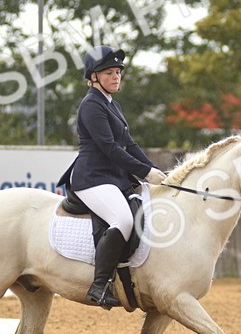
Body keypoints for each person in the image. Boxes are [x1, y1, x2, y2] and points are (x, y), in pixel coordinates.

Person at [58, 45, 166, 308]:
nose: (116, 76)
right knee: (124, 220)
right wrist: (144, 172)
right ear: (93, 77)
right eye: (109, 72)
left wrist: (153, 170)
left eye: (118, 71)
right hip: (92, 178)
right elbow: (110, 148)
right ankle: (99, 285)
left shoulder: (112, 104)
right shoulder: (91, 106)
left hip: (112, 178)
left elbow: (129, 144)